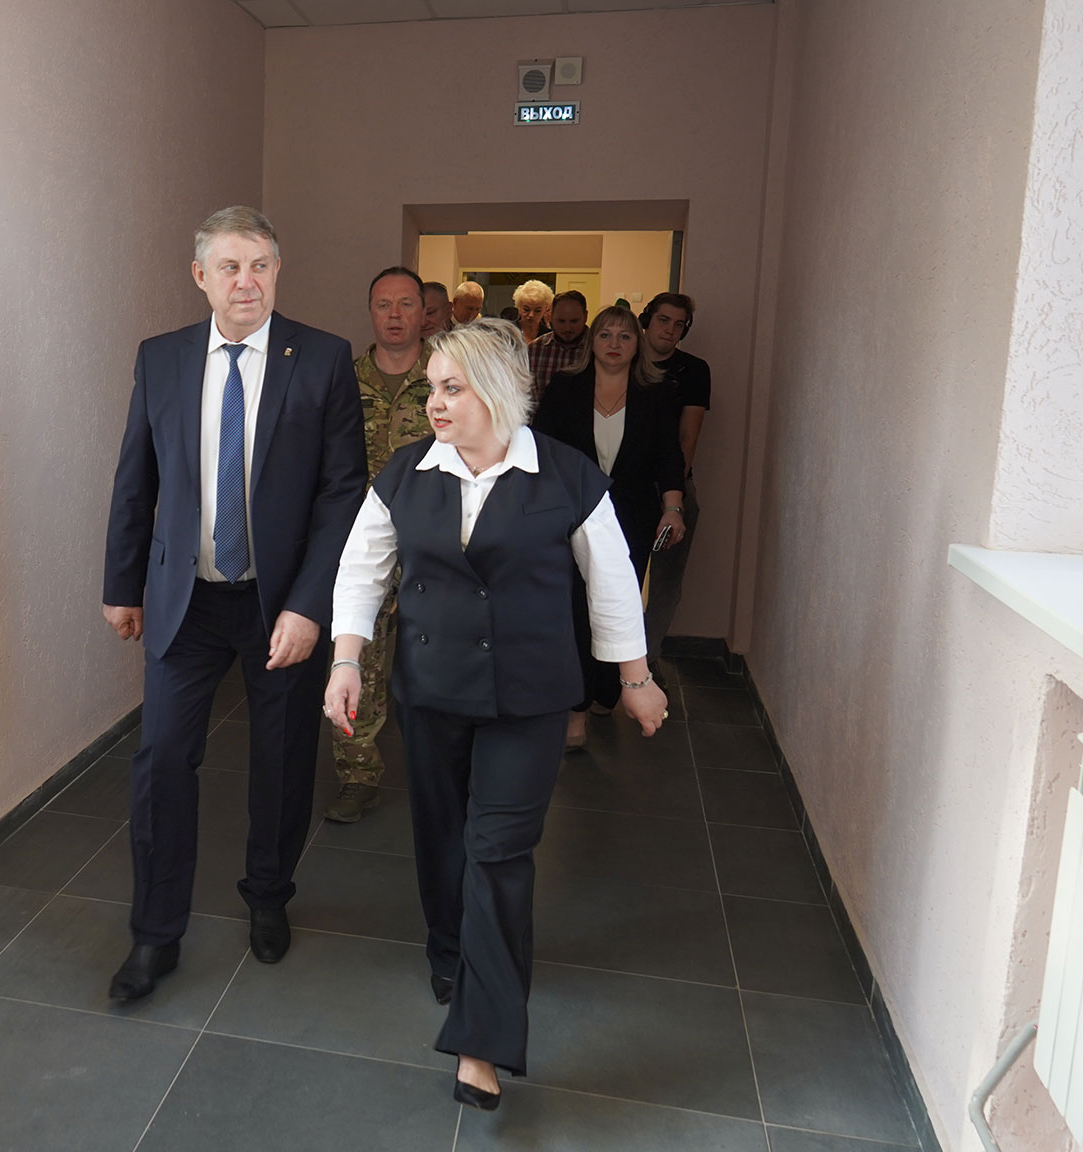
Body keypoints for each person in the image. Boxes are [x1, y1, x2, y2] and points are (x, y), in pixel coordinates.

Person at [324, 318, 667, 1110]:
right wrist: (345, 661)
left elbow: (612, 580)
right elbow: (361, 571)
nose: (435, 403)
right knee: (442, 838)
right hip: (432, 691)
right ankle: (451, 952)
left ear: (500, 391)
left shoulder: (566, 476)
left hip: (528, 700)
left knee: (499, 851)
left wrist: (636, 677)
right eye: (433, 388)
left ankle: (480, 1040)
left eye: (452, 388)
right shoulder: (408, 472)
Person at [102, 206, 367, 1001]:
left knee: (281, 762)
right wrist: (122, 585)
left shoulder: (321, 358)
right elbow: (136, 477)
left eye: (259, 265)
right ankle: (155, 934)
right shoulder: (162, 358)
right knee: (161, 763)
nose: (245, 281)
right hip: (184, 600)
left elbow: (342, 492)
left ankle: (269, 895)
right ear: (201, 276)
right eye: (229, 266)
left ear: (277, 271)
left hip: (279, 605)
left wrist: (310, 605)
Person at [530, 304, 685, 748]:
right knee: (577, 609)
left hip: (632, 518)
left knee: (616, 604)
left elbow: (668, 456)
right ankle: (575, 709)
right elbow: (540, 448)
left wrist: (673, 508)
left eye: (624, 336)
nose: (614, 344)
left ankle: (605, 690)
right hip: (570, 516)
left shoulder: (658, 393)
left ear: (637, 345)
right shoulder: (565, 387)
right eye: (605, 335)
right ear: (591, 342)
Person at [326, 267, 433, 824]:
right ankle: (356, 774)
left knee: (433, 656)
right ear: (370, 310)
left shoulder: (448, 379)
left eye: (406, 304)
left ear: (424, 312)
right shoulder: (342, 381)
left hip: (431, 542)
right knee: (358, 660)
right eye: (383, 304)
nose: (394, 315)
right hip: (360, 544)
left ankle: (442, 768)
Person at [638, 293, 709, 667]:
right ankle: (606, 664)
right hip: (625, 486)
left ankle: (647, 661)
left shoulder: (693, 370)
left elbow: (687, 438)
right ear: (647, 320)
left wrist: (672, 496)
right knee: (618, 576)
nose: (670, 330)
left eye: (679, 324)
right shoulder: (624, 360)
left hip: (674, 485)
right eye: (663, 320)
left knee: (666, 583)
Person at [525, 289, 588, 399]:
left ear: (585, 317)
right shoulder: (534, 350)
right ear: (551, 316)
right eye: (561, 321)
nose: (567, 328)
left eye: (574, 321)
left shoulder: (599, 349)